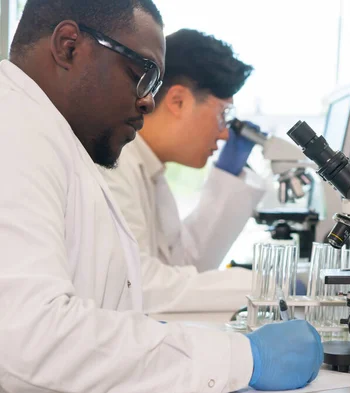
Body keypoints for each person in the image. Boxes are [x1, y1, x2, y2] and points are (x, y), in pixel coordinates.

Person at [0, 1, 322, 392]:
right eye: (144, 75)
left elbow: (128, 290)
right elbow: (29, 339)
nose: (148, 101)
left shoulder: (54, 140)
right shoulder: (13, 132)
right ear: (69, 46)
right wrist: (242, 357)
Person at [101, 29, 266, 314]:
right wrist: (263, 287)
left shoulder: (151, 170)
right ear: (177, 101)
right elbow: (141, 285)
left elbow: (183, 264)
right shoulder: (116, 166)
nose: (225, 134)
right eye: (222, 115)